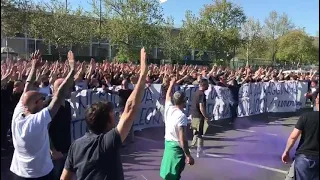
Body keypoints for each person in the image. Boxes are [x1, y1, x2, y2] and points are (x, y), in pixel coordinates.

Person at [60, 47, 148, 180]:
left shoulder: (75, 146)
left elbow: (64, 178)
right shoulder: (108, 142)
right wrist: (143, 73)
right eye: (112, 115)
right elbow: (130, 108)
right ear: (108, 121)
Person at [10, 50, 76, 180]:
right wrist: (72, 69)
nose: (44, 100)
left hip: (18, 173)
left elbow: (27, 87)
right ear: (36, 103)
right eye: (42, 99)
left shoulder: (18, 114)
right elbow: (59, 95)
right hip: (40, 174)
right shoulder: (37, 121)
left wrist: (34, 67)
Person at [160, 77, 194, 180]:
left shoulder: (169, 108)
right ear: (183, 101)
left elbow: (167, 96)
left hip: (168, 145)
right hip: (176, 150)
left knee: (167, 173)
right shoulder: (181, 116)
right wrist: (188, 155)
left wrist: (171, 84)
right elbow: (182, 139)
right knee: (174, 174)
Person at [282, 93, 319, 180]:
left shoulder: (306, 116)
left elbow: (293, 137)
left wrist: (286, 151)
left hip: (304, 157)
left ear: (316, 101)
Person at [46, 78, 73, 180]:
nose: (71, 90)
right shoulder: (48, 106)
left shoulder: (68, 105)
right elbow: (45, 129)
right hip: (55, 153)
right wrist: (52, 150)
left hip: (66, 149)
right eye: (68, 88)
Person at [105, 79, 134, 145]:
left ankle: (122, 140)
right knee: (130, 123)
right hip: (128, 109)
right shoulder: (130, 91)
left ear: (122, 85)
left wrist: (106, 90)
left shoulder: (121, 91)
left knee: (122, 123)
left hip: (122, 109)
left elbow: (113, 92)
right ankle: (132, 138)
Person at [190, 79, 209, 158]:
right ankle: (199, 151)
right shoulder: (201, 94)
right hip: (199, 116)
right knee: (200, 134)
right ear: (204, 85)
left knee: (196, 133)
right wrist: (206, 116)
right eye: (207, 85)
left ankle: (191, 148)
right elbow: (201, 107)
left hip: (194, 115)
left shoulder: (196, 93)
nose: (208, 86)